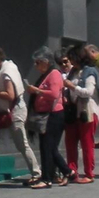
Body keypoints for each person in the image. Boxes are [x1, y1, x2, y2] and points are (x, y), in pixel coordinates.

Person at [0, 45, 41, 184]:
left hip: (13, 112)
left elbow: (10, 95)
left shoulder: (5, 72)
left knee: (21, 143)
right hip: (12, 110)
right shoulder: (11, 66)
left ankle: (36, 172)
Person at [27, 48, 68, 188]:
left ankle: (50, 177)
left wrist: (37, 91)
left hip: (54, 115)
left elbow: (54, 94)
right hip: (46, 114)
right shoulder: (45, 75)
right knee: (47, 147)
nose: (35, 66)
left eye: (37, 62)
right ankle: (63, 173)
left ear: (45, 62)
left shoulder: (54, 74)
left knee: (48, 147)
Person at [60, 47, 99, 184]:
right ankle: (71, 172)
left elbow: (88, 92)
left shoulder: (89, 71)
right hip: (72, 111)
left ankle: (89, 173)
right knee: (70, 142)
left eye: (72, 59)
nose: (70, 62)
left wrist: (72, 87)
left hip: (86, 111)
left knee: (86, 143)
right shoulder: (73, 72)